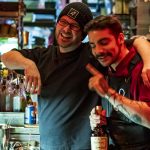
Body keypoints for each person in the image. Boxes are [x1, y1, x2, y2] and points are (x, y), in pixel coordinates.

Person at [1, 2, 150, 150]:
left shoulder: (93, 54)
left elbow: (137, 41)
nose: (66, 29)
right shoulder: (41, 56)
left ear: (83, 34)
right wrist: (29, 65)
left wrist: (148, 62)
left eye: (74, 26)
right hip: (48, 147)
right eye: (63, 22)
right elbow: (6, 57)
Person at [84, 15, 150, 149]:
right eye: (93, 45)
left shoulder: (142, 69)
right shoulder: (106, 69)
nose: (98, 51)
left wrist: (109, 94)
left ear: (120, 39)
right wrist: (101, 120)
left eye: (104, 42)